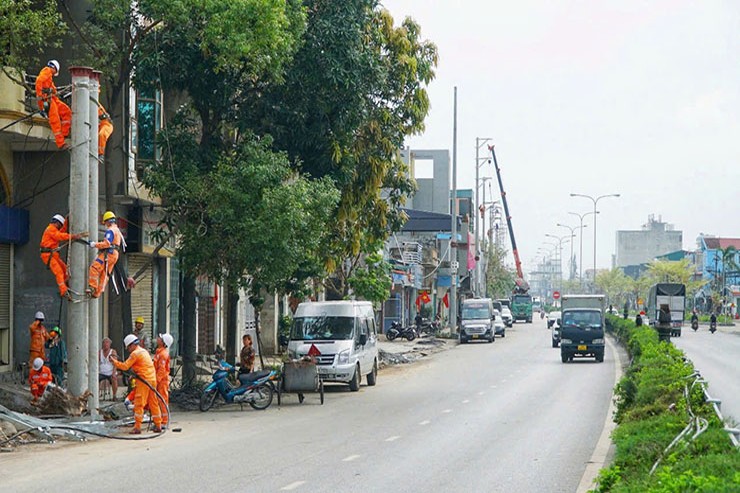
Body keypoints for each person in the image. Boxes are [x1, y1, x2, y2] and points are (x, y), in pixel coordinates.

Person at [111, 334, 162, 434]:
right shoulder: (144, 352)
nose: (128, 350)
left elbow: (125, 366)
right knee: (153, 403)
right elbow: (141, 366)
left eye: (128, 347)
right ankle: (158, 425)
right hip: (152, 379)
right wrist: (134, 375)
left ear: (131, 345)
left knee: (139, 404)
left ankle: (137, 427)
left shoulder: (135, 354)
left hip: (144, 381)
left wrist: (114, 362)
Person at [39, 214, 87, 299]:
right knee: (59, 272)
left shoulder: (54, 229)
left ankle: (65, 286)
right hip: (48, 255)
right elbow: (59, 236)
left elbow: (62, 231)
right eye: (60, 224)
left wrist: (66, 221)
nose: (60, 226)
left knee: (65, 270)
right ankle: (63, 291)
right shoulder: (50, 229)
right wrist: (73, 236)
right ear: (57, 223)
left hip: (53, 254)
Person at [87, 211, 125, 298]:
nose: (105, 225)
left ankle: (92, 287)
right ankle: (97, 293)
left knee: (95, 267)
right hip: (114, 254)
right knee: (105, 273)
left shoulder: (110, 230)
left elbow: (107, 243)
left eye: (105, 222)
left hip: (109, 253)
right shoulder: (117, 230)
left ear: (108, 221)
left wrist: (94, 244)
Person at [35, 60, 71, 149]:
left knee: (66, 111)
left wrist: (56, 92)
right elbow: (39, 81)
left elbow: (52, 86)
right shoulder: (47, 70)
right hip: (47, 99)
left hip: (52, 98)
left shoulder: (49, 75)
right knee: (55, 120)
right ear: (54, 68)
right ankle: (60, 143)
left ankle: (64, 133)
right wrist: (40, 96)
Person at [154, 333, 174, 428]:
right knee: (159, 400)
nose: (157, 339)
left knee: (162, 401)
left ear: (163, 342)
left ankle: (164, 421)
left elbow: (161, 370)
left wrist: (156, 381)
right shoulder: (159, 352)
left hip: (162, 381)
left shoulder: (163, 354)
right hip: (160, 380)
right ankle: (160, 420)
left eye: (160, 338)